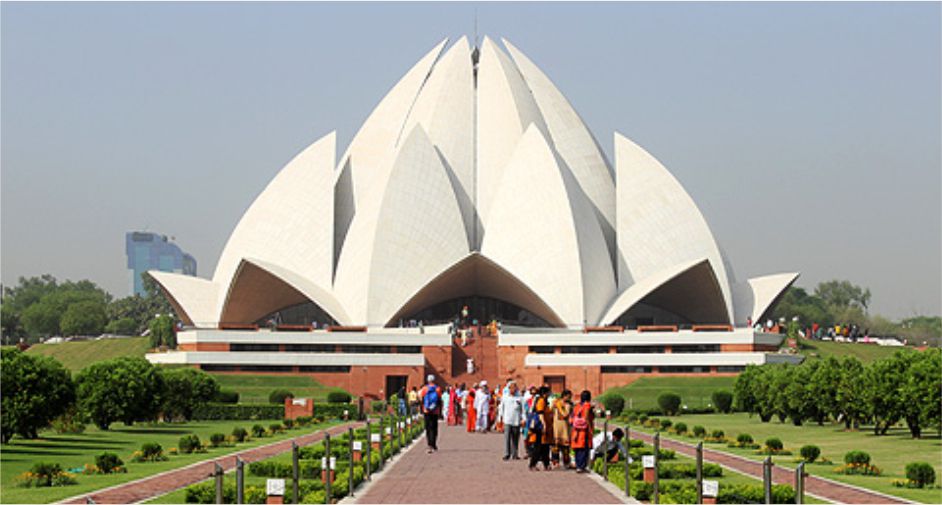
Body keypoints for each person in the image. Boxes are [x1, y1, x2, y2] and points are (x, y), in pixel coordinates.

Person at [527, 386, 552, 471]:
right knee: (538, 447)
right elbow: (540, 413)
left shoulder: (543, 401)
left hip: (543, 427)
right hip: (540, 427)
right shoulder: (541, 401)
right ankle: (533, 464)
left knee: (545, 446)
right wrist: (544, 425)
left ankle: (546, 464)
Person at [498, 381, 524, 460]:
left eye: (514, 387)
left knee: (515, 438)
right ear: (509, 388)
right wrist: (500, 418)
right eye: (511, 388)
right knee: (507, 438)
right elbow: (501, 408)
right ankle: (507, 453)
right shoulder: (505, 397)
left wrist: (523, 419)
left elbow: (523, 410)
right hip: (507, 420)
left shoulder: (519, 398)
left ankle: (515, 454)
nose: (513, 389)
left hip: (516, 420)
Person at [570, 390, 595, 473]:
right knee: (583, 448)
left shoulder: (577, 406)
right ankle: (581, 466)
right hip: (584, 430)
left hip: (576, 429)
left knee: (578, 448)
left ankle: (578, 465)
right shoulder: (587, 405)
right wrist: (590, 429)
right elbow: (587, 417)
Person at [551, 390, 573, 469]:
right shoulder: (556, 403)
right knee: (555, 446)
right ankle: (555, 462)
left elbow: (566, 415)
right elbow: (552, 412)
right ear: (564, 396)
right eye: (568, 396)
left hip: (565, 427)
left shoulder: (568, 405)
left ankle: (566, 462)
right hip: (556, 426)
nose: (570, 398)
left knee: (566, 447)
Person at [421, 375, 442, 453]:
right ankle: (434, 444)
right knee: (434, 428)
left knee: (428, 428)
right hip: (435, 411)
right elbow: (439, 400)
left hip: (427, 411)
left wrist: (423, 408)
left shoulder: (424, 389)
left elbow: (422, 399)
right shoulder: (438, 389)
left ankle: (429, 444)